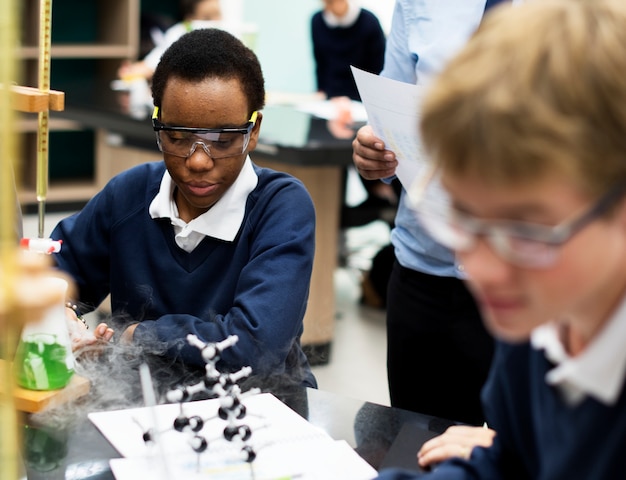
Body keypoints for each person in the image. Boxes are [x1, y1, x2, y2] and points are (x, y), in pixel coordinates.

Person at [377, 0, 626, 477]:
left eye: (523, 230)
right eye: (465, 218)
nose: (482, 271)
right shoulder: (538, 328)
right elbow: (503, 462)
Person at [51, 28, 317, 388]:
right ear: (157, 127)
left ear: (253, 131)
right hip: (144, 409)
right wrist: (59, 312)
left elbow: (255, 347)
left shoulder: (280, 207)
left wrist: (136, 336)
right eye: (177, 138)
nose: (198, 162)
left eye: (222, 141)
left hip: (262, 409)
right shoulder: (129, 195)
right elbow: (52, 273)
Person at [352, 0, 511, 427]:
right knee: (413, 441)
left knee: (515, 449)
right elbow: (387, 113)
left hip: (522, 280)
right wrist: (373, 148)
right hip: (422, 271)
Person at [311, 0, 397, 228]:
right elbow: (321, 65)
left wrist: (354, 101)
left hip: (361, 104)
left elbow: (379, 73)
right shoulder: (317, 21)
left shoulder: (368, 22)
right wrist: (324, 94)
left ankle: (382, 197)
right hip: (330, 106)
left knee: (362, 148)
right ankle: (329, 220)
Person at [117, 0, 223, 81]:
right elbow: (154, 62)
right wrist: (132, 71)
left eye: (218, 15)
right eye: (207, 18)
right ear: (189, 19)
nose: (215, 23)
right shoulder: (179, 32)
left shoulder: (232, 36)